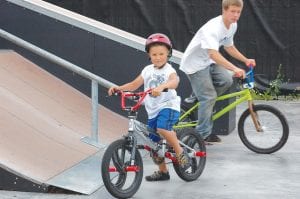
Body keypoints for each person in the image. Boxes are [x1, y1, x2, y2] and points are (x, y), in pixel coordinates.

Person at [108, 33, 191, 181]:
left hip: (168, 106)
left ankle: (180, 152)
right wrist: (118, 88)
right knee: (153, 145)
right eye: (154, 54)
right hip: (153, 111)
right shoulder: (147, 70)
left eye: (161, 54)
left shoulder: (169, 70)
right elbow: (134, 85)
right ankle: (163, 172)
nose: (158, 57)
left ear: (168, 54)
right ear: (149, 55)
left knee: (162, 128)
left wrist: (162, 86)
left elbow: (175, 81)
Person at [179, 0, 256, 142]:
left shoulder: (232, 25)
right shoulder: (213, 28)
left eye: (238, 12)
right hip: (194, 65)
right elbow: (213, 54)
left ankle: (199, 96)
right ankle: (200, 136)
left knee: (226, 80)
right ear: (224, 10)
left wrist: (245, 60)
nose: (236, 15)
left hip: (208, 62)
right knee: (209, 97)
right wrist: (234, 68)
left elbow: (229, 47)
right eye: (232, 11)